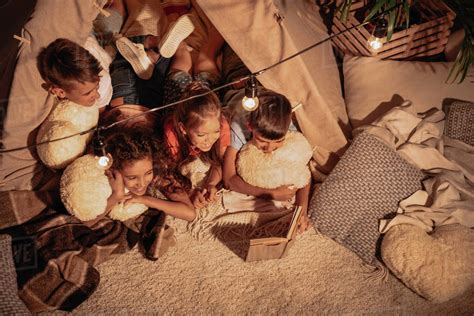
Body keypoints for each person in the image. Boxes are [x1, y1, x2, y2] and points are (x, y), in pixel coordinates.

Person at [222, 89, 311, 231]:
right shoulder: (239, 126)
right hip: (234, 91)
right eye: (262, 141)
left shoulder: (286, 128)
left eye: (278, 142)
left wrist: (301, 211)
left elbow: (303, 173)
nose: (269, 149)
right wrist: (271, 194)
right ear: (250, 127)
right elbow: (228, 179)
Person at [85, 130, 196, 226]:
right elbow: (85, 223)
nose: (142, 184)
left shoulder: (156, 170)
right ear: (112, 169)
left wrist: (143, 199)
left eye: (148, 172)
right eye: (132, 177)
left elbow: (190, 213)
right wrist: (116, 196)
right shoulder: (101, 177)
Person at [163, 82, 230, 209]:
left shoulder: (221, 124)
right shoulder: (172, 133)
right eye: (201, 135)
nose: (209, 140)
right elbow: (168, 172)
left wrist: (211, 184)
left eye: (215, 132)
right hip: (175, 95)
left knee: (206, 68)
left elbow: (221, 161)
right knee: (178, 75)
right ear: (183, 129)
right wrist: (189, 192)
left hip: (206, 85)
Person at [37, 38, 103, 108]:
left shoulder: (104, 83)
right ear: (60, 93)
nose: (98, 95)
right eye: (88, 93)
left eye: (97, 86)